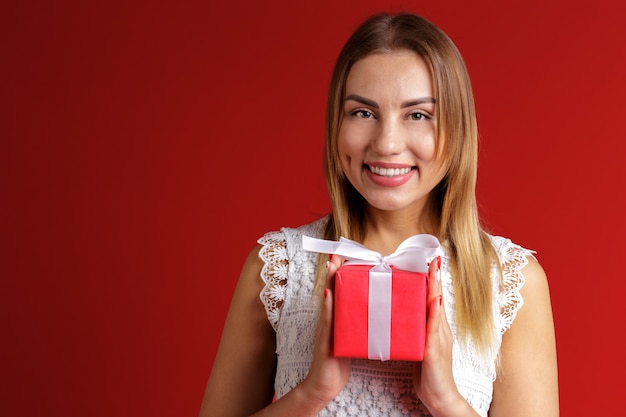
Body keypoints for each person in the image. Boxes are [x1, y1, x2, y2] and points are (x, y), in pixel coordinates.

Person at [198, 12, 559, 417]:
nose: (387, 144)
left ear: (458, 131)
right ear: (337, 123)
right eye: (363, 112)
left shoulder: (511, 283)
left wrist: (447, 402)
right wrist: (311, 393)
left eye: (418, 115)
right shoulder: (278, 266)